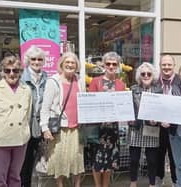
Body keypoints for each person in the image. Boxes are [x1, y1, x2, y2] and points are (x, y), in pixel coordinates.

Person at [0, 55, 32, 187]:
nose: (11, 74)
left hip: (20, 140)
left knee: (15, 177)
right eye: (7, 70)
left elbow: (28, 114)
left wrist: (25, 133)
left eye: (15, 70)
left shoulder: (26, 90)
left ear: (20, 72)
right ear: (2, 72)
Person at [39, 52, 84, 187]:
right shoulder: (53, 82)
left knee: (76, 158)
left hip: (77, 128)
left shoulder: (79, 80)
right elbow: (45, 107)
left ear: (76, 66)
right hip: (60, 128)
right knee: (59, 159)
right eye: (67, 62)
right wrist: (44, 128)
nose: (70, 65)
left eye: (73, 63)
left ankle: (77, 185)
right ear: (62, 64)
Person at [88, 51, 125, 187]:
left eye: (114, 64)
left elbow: (122, 106)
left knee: (110, 160)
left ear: (118, 65)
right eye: (108, 64)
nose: (111, 66)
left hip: (112, 129)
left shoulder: (120, 84)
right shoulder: (95, 82)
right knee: (97, 161)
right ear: (104, 65)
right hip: (98, 128)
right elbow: (91, 103)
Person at [128, 62, 163, 187]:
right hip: (136, 128)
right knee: (133, 159)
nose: (146, 76)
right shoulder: (133, 89)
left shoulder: (158, 90)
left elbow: (161, 110)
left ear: (153, 75)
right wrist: (129, 120)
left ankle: (152, 184)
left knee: (152, 160)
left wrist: (157, 120)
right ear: (139, 76)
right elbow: (128, 109)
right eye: (143, 74)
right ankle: (133, 183)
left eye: (149, 73)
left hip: (151, 128)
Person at [20, 46, 47, 187]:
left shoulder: (46, 77)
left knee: (39, 161)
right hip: (25, 125)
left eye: (39, 59)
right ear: (28, 60)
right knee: (25, 161)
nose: (36, 62)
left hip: (41, 125)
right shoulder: (21, 78)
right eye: (33, 59)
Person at [156, 55, 179, 187]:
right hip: (158, 126)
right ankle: (159, 178)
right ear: (160, 66)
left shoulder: (180, 81)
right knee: (159, 154)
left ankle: (176, 181)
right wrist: (159, 121)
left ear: (173, 66)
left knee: (174, 155)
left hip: (175, 126)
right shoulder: (155, 81)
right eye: (164, 64)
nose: (166, 67)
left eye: (169, 64)